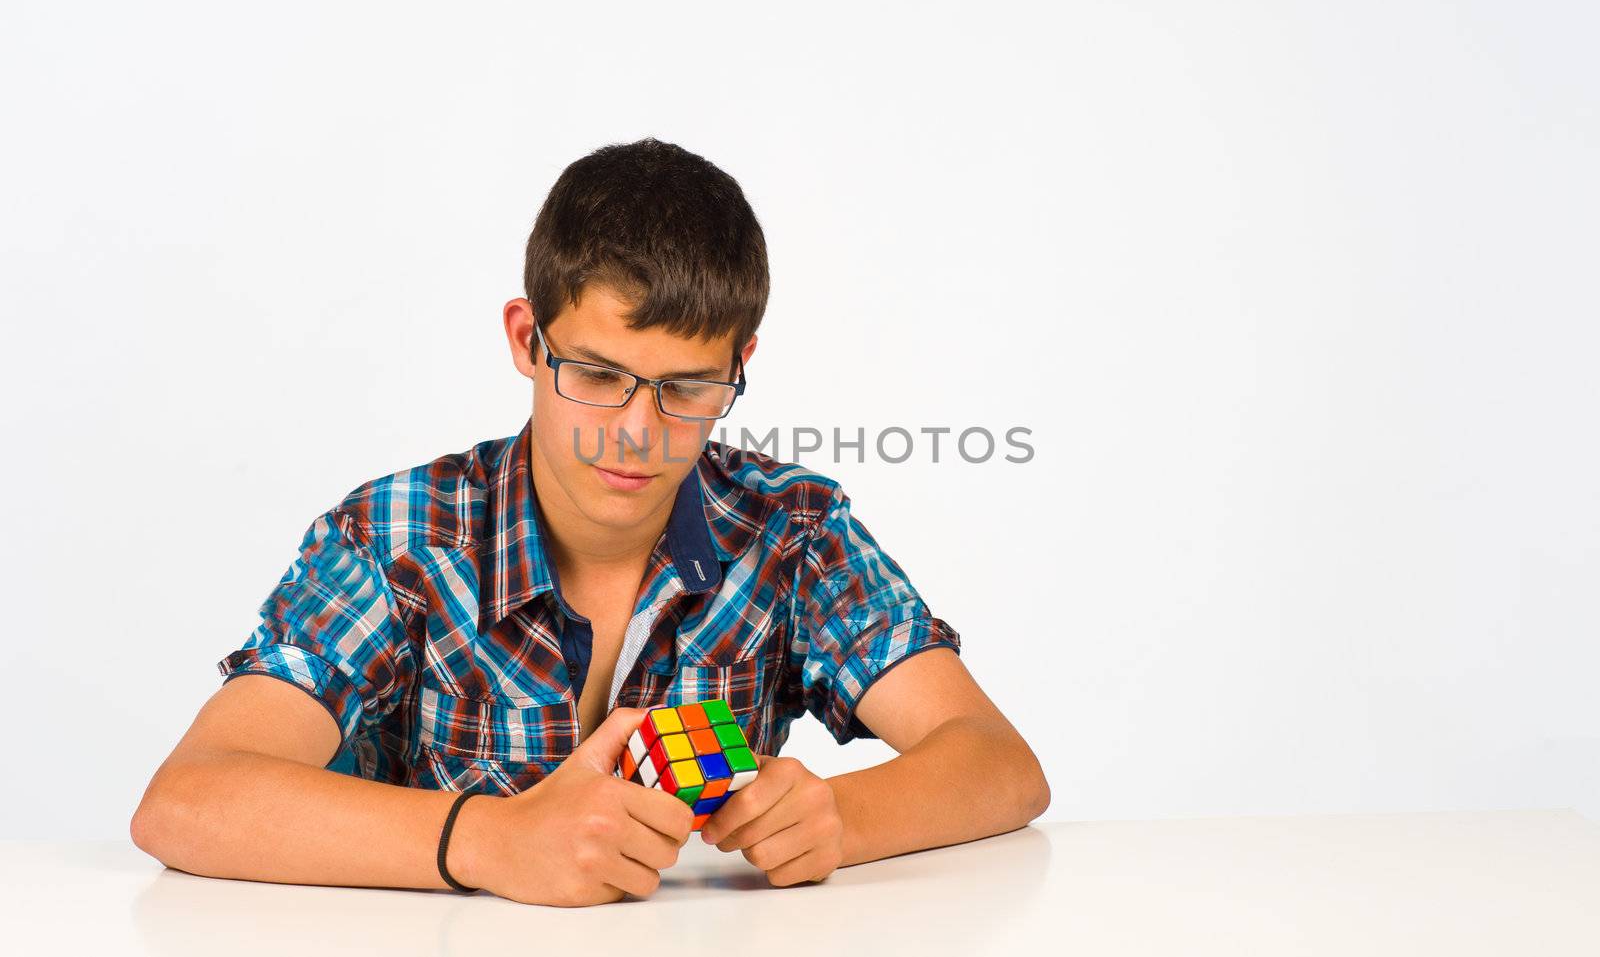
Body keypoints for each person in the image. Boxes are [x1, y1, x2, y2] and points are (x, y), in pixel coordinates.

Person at [130, 137, 1050, 907]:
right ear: (527, 338)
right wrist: (491, 840)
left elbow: (998, 763)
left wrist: (844, 819)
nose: (638, 432)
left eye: (688, 388)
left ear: (741, 364)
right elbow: (187, 800)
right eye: (600, 375)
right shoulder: (395, 538)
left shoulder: (790, 529)